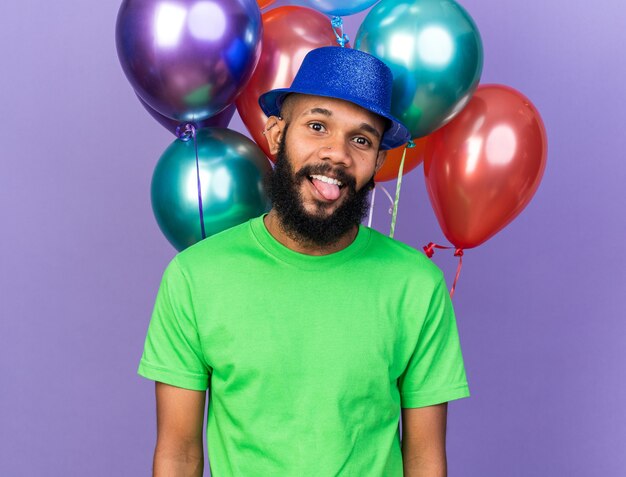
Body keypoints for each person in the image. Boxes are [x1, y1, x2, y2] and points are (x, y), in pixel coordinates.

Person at [138, 46, 470, 477]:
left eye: (362, 139)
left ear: (378, 163)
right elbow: (179, 454)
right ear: (277, 135)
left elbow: (425, 459)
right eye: (317, 126)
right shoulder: (195, 276)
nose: (338, 154)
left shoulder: (417, 285)